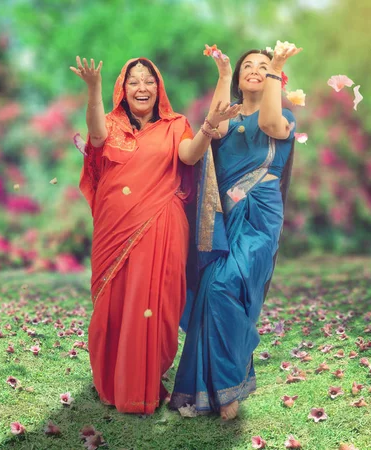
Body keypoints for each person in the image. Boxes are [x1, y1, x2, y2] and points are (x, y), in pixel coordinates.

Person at [70, 56, 239, 415]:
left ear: (158, 87)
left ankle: (145, 382)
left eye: (148, 80)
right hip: (114, 230)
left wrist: (209, 126)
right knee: (113, 307)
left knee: (158, 306)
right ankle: (115, 384)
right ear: (123, 89)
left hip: (163, 225)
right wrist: (93, 87)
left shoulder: (176, 124)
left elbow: (190, 157)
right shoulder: (112, 124)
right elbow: (96, 135)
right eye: (134, 81)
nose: (142, 87)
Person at [169, 43, 302, 420]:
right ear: (241, 78)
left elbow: (268, 125)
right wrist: (224, 74)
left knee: (229, 285)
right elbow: (212, 126)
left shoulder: (285, 116)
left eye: (263, 66)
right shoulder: (228, 117)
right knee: (212, 291)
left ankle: (226, 386)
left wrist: (276, 67)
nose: (255, 70)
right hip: (222, 220)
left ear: (274, 76)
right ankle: (215, 389)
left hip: (259, 218)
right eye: (249, 65)